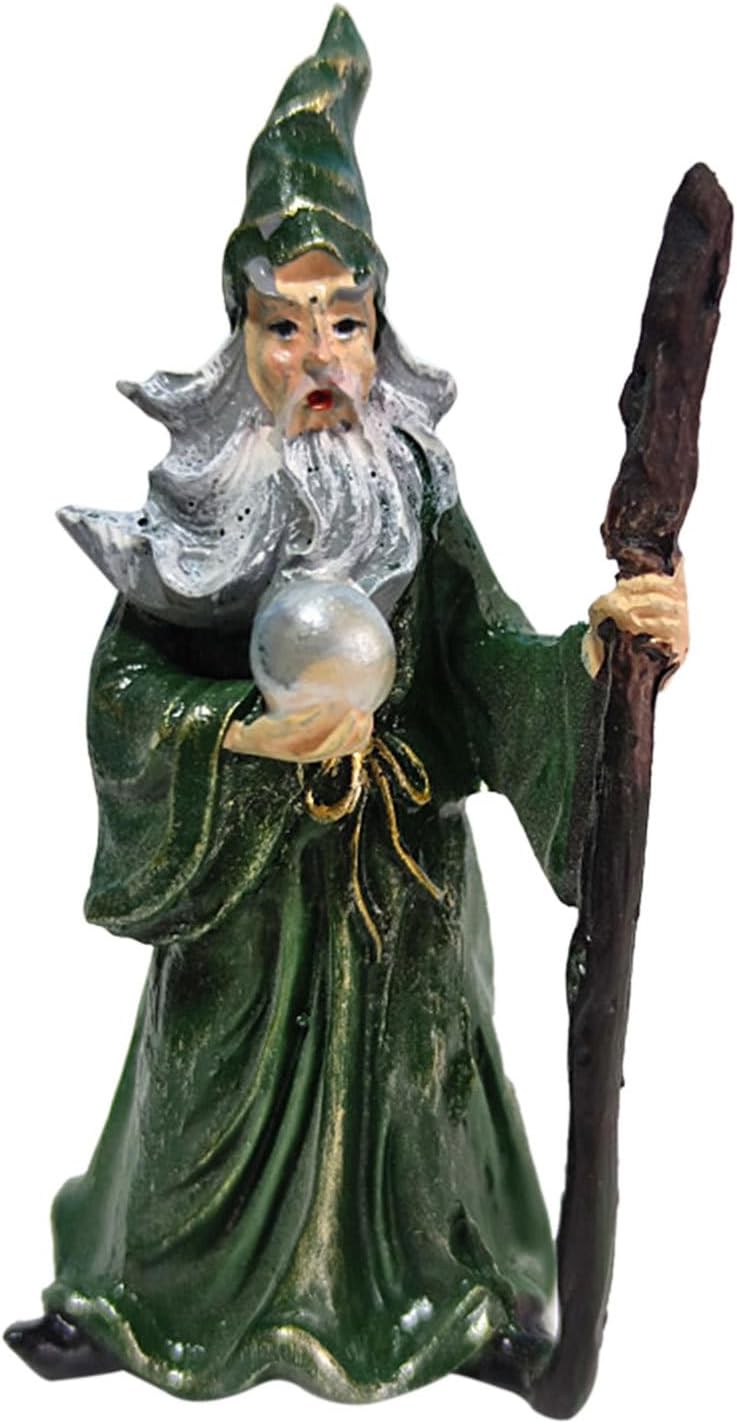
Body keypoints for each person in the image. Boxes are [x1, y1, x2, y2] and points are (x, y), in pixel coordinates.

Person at [4, 7, 687, 1404]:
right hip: (246, 891)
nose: (321, 358)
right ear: (241, 337)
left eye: (347, 323)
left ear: (380, 336)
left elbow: (487, 654)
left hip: (401, 878)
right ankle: (146, 1299)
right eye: (286, 324)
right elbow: (125, 688)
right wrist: (233, 736)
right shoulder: (207, 519)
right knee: (200, 1098)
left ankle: (454, 1302)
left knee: (420, 1099)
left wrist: (598, 654)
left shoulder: (415, 492)